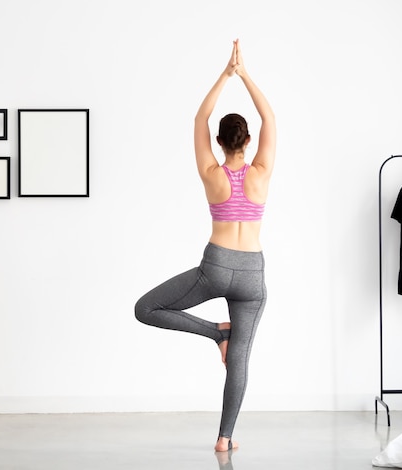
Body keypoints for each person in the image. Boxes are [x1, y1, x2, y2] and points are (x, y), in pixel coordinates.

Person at [134, 39, 276, 452]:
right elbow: (270, 116)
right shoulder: (262, 173)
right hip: (252, 273)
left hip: (214, 267)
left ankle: (216, 332)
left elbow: (200, 115)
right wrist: (245, 74)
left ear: (219, 142)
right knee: (241, 359)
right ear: (247, 141)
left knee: (146, 308)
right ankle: (224, 439)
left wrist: (225, 74)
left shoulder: (210, 172)